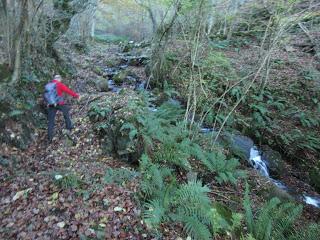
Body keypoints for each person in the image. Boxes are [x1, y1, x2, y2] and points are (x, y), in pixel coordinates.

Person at [46, 75, 80, 143]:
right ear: (59, 79)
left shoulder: (48, 85)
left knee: (51, 121)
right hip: (59, 104)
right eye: (60, 79)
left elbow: (45, 95)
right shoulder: (59, 84)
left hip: (51, 105)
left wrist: (48, 103)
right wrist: (76, 96)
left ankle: (49, 138)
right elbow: (68, 91)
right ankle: (69, 127)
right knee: (66, 113)